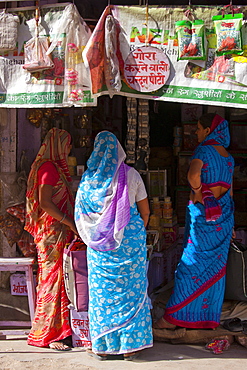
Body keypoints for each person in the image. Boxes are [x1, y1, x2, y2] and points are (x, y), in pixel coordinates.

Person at [75, 131, 153, 360]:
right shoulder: (132, 175)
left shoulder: (88, 181)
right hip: (131, 242)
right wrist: (131, 233)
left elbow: (82, 216)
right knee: (132, 292)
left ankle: (102, 346)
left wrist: (103, 233)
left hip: (100, 247)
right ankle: (130, 347)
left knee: (102, 294)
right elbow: (145, 212)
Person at [154, 113, 235, 330]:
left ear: (209, 131)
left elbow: (193, 175)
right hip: (224, 218)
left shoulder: (203, 150)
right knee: (215, 268)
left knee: (189, 267)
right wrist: (231, 225)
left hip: (204, 218)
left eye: (198, 128)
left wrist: (198, 191)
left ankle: (171, 319)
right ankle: (205, 318)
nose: (195, 132)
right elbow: (230, 192)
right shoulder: (228, 157)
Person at [25, 127, 78, 350]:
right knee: (52, 280)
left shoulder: (49, 167)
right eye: (67, 146)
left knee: (57, 280)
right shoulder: (49, 169)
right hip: (52, 233)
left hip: (56, 232)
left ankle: (57, 331)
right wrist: (69, 221)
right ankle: (48, 334)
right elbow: (45, 202)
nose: (68, 151)